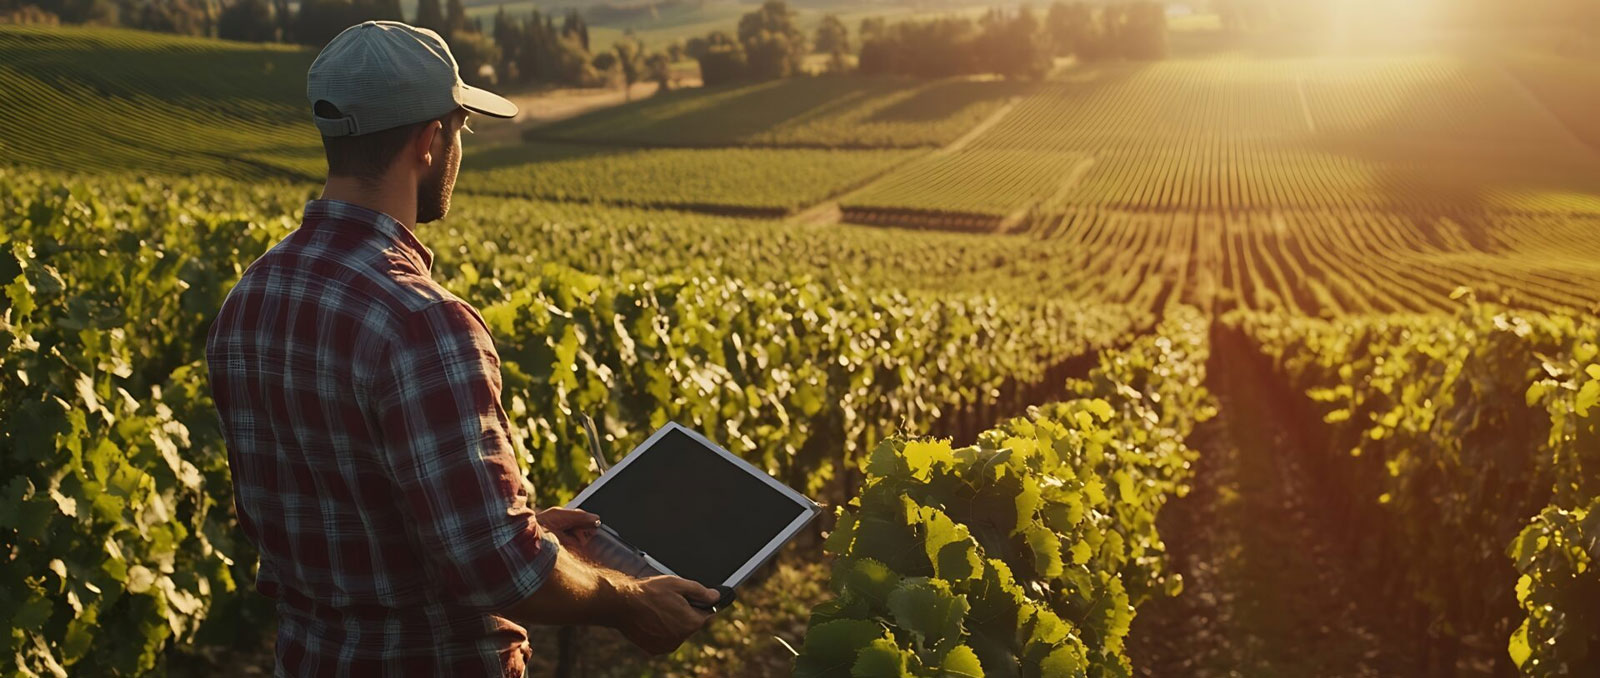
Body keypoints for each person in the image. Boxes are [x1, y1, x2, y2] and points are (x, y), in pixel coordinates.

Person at [204, 21, 717, 677]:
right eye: (460, 131)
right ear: (428, 140)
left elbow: (352, 515)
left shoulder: (251, 295)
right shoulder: (422, 322)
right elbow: (497, 568)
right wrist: (630, 598)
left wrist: (528, 528)